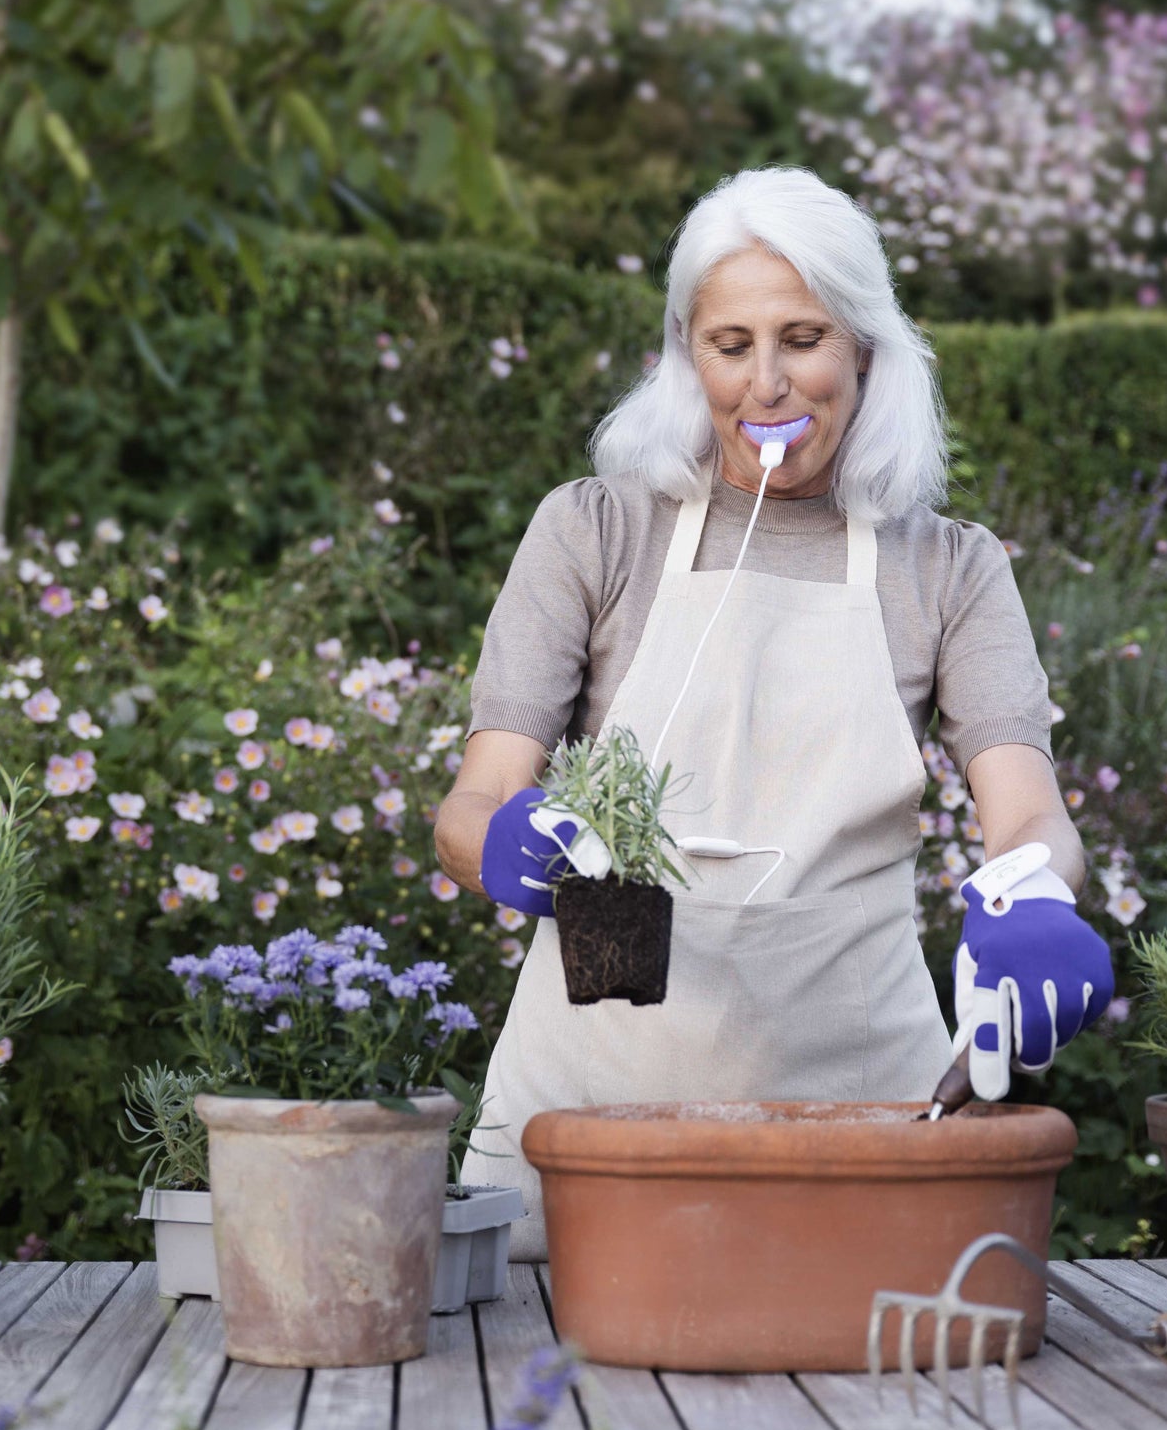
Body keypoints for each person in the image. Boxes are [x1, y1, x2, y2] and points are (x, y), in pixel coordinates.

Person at [433, 166, 1113, 1261]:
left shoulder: (948, 568)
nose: (766, 384)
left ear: (865, 351)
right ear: (684, 356)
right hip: (591, 1122)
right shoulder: (595, 532)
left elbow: (1031, 816)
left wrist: (1034, 897)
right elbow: (475, 803)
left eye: (802, 337)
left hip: (865, 1123)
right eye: (730, 344)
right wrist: (510, 844)